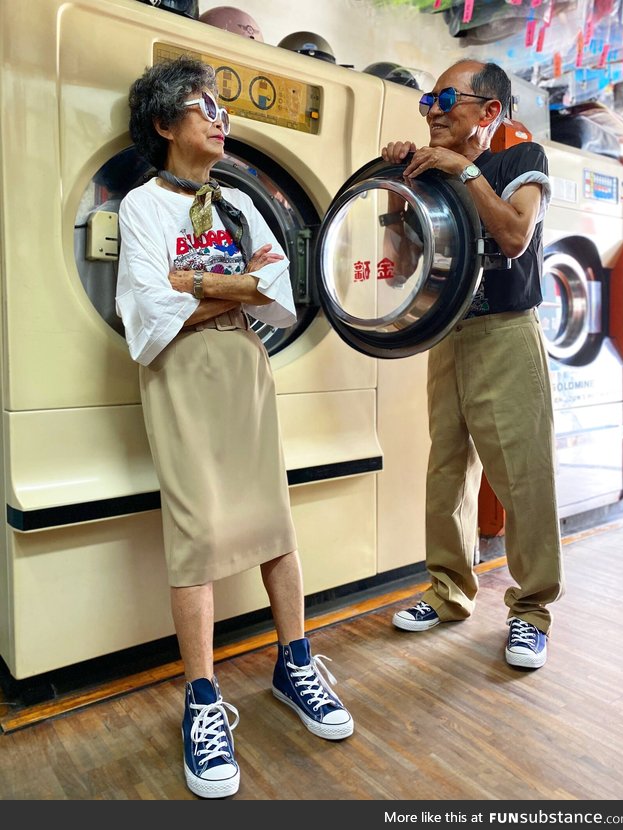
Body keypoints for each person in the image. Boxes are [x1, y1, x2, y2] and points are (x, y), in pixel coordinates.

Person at [116, 55, 353, 800]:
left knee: (273, 520)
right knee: (197, 533)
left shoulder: (241, 204)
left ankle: (294, 662)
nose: (220, 118)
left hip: (246, 369)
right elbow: (148, 313)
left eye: (222, 107)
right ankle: (203, 700)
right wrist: (236, 286)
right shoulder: (140, 206)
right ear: (163, 124)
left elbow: (280, 289)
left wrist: (200, 285)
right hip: (181, 376)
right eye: (201, 106)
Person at [382, 59, 564, 670]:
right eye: (429, 99)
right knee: (446, 473)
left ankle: (532, 611)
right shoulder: (428, 174)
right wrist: (396, 190)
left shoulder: (521, 161)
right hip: (450, 334)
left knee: (522, 478)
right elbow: (404, 264)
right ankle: (448, 593)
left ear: (489, 112)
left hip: (508, 334)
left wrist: (465, 170)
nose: (434, 108)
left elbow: (514, 236)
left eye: (448, 97)